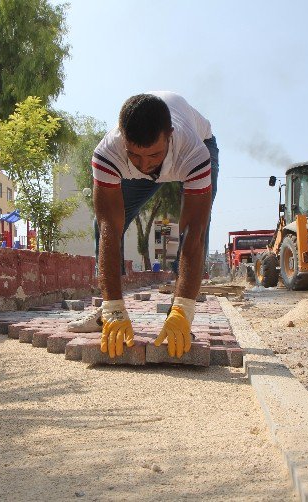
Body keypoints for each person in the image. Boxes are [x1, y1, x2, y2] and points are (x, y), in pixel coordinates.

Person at [67, 91, 219, 359]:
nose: (146, 166)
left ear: (169, 135)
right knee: (101, 224)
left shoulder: (194, 153)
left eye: (154, 156)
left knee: (195, 230)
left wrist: (184, 307)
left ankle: (181, 316)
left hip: (199, 145)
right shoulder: (108, 153)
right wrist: (115, 304)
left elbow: (194, 233)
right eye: (135, 156)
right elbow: (109, 230)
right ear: (123, 138)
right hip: (133, 164)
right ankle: (108, 312)